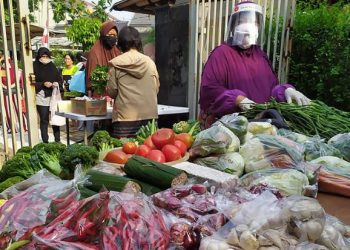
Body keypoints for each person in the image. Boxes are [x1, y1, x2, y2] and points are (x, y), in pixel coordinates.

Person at [199, 1, 310, 129]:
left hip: (262, 126)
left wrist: (285, 91)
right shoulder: (221, 54)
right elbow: (210, 90)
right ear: (233, 26)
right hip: (231, 128)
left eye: (253, 22)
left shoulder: (260, 56)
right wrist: (237, 99)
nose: (248, 27)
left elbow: (272, 88)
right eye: (242, 21)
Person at [106, 26, 160, 138]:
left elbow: (112, 92)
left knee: (125, 152)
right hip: (149, 117)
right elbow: (156, 88)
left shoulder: (115, 64)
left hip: (124, 118)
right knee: (147, 152)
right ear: (138, 42)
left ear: (120, 43)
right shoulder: (150, 63)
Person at [33, 47, 63, 143]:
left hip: (53, 96)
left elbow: (59, 80)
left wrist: (55, 83)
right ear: (39, 56)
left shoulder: (52, 66)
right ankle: (45, 141)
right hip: (41, 95)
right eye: (43, 56)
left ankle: (57, 140)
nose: (45, 58)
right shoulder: (34, 66)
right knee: (44, 119)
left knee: (55, 118)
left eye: (47, 56)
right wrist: (42, 84)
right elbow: (31, 81)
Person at [86, 20, 121, 96]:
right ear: (103, 35)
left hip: (117, 94)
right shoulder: (95, 52)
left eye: (115, 35)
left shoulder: (116, 51)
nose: (113, 37)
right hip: (100, 95)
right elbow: (92, 79)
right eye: (110, 35)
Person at [0, 51, 27, 133]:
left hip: (8, 92)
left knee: (9, 111)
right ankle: (22, 126)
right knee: (16, 110)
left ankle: (13, 127)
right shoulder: (17, 69)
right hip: (13, 92)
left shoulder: (3, 69)